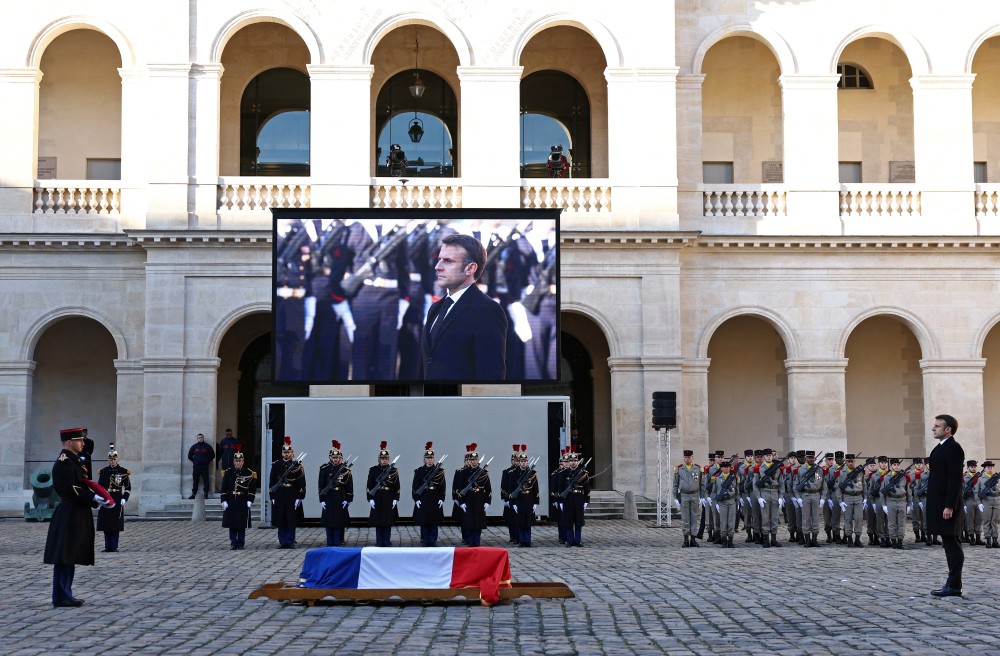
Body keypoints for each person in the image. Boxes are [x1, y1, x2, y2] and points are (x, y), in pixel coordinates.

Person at [423, 233, 508, 380]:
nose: (438, 267)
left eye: (448, 261)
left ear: (470, 268)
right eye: (439, 260)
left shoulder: (487, 311)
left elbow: (490, 374)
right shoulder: (435, 308)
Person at [44, 427, 110, 607]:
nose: (82, 443)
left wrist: (98, 496)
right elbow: (69, 488)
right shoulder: (64, 462)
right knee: (64, 555)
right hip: (69, 512)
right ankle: (61, 596)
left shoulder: (74, 461)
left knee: (70, 554)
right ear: (69, 442)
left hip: (76, 511)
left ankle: (66, 593)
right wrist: (93, 497)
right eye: (79, 440)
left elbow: (82, 484)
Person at [928, 414, 966, 597]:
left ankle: (954, 586)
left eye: (937, 426)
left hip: (947, 505)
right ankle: (952, 584)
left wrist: (949, 506)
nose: (933, 429)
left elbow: (955, 481)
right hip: (939, 503)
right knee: (949, 545)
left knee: (952, 545)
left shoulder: (954, 448)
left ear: (947, 429)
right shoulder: (940, 448)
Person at [269, 436, 305, 549]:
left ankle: (290, 540)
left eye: (288, 452)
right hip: (280, 494)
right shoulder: (276, 465)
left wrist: (299, 497)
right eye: (284, 452)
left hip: (292, 494)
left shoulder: (297, 466)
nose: (286, 454)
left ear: (292, 453)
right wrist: (272, 496)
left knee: (291, 519)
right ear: (281, 453)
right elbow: (272, 481)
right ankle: (282, 541)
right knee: (281, 519)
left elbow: (301, 483)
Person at [453, 444, 491, 547]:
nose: (474, 461)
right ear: (469, 460)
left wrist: (487, 501)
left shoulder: (483, 472)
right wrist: (461, 502)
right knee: (469, 522)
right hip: (468, 499)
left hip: (479, 499)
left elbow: (488, 489)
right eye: (472, 460)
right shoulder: (464, 473)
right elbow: (460, 488)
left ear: (478, 461)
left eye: (476, 460)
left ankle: (476, 541)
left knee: (478, 522)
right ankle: (469, 541)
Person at [96, 443, 131, 553]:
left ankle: (114, 546)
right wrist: (100, 498)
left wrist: (124, 498)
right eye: (110, 460)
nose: (112, 461)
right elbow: (100, 486)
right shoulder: (103, 471)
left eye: (114, 459)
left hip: (117, 498)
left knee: (115, 524)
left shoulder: (123, 472)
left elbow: (128, 488)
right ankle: (107, 546)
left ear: (117, 460)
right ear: (108, 460)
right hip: (107, 498)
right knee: (106, 524)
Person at [221, 447, 257, 550]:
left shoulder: (249, 473)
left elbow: (252, 489)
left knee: (241, 523)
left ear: (243, 461)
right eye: (236, 461)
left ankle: (241, 543)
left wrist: (250, 500)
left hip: (242, 499)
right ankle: (233, 542)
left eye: (240, 461)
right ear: (233, 461)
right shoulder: (228, 472)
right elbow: (224, 488)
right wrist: (223, 500)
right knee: (232, 523)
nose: (238, 463)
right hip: (231, 499)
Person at [318, 440, 353, 547]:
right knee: (329, 522)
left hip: (340, 497)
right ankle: (330, 541)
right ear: (330, 458)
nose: (335, 459)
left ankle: (337, 541)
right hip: (328, 497)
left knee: (339, 521)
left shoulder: (345, 470)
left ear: (341, 458)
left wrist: (348, 499)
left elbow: (349, 486)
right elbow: (321, 485)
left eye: (337, 458)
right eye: (333, 457)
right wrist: (322, 499)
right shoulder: (324, 469)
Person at [412, 442, 446, 547]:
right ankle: (426, 539)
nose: (430, 460)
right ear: (424, 459)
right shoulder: (419, 471)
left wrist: (441, 498)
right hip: (424, 497)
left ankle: (433, 539)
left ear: (434, 459)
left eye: (431, 458)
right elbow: (415, 486)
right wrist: (416, 498)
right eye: (428, 458)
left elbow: (442, 486)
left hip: (435, 497)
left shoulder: (439, 471)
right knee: (424, 520)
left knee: (434, 520)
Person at [367, 441, 400, 547]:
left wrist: (396, 498)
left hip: (388, 496)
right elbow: (369, 484)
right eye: (382, 458)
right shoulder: (373, 470)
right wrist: (370, 498)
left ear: (389, 459)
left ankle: (386, 540)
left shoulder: (393, 470)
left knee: (388, 520)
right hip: (377, 496)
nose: (384, 460)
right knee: (378, 520)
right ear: (379, 459)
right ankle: (379, 540)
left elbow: (397, 485)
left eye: (386, 459)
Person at [557, 448, 589, 548]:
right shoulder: (563, 473)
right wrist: (560, 502)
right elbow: (560, 488)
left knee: (578, 521)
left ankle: (578, 540)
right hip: (568, 499)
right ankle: (570, 540)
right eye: (571, 461)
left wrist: (586, 501)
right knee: (568, 521)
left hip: (579, 498)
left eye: (575, 461)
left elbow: (586, 489)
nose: (573, 463)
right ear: (568, 462)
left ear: (577, 461)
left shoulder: (583, 473)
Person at [752, 448, 783, 548]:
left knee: (774, 517)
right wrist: (759, 497)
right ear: (764, 457)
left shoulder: (777, 468)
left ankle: (774, 539)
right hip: (764, 493)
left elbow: (781, 483)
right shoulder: (758, 468)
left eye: (770, 455)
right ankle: (766, 540)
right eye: (767, 455)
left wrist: (781, 497)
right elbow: (755, 484)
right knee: (765, 518)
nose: (769, 457)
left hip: (774, 493)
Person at [878, 458, 911, 550]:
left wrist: (909, 504)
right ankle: (893, 541)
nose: (896, 466)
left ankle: (900, 541)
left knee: (901, 523)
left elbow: (909, 491)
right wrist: (883, 505)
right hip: (891, 501)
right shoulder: (887, 477)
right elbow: (882, 492)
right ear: (891, 466)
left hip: (902, 501)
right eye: (894, 465)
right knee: (891, 523)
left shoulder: (904, 476)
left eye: (898, 465)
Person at [509, 448, 539, 547]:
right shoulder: (513, 473)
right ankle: (522, 540)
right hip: (519, 499)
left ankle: (528, 540)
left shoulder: (532, 473)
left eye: (525, 461)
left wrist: (535, 502)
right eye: (522, 461)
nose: (523, 463)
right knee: (521, 521)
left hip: (529, 499)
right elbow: (511, 490)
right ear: (519, 462)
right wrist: (513, 503)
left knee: (528, 521)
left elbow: (535, 489)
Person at [673, 449, 702, 547]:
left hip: (695, 495)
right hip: (684, 495)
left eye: (689, 457)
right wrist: (675, 497)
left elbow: (702, 484)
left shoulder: (698, 469)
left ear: (692, 458)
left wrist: (703, 497)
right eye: (686, 457)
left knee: (694, 517)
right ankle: (686, 539)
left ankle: (693, 538)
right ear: (684, 458)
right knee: (685, 517)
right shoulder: (679, 469)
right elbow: (675, 484)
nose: (687, 459)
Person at [838, 454, 866, 548]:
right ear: (846, 462)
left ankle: (857, 539)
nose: (850, 463)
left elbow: (864, 485)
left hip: (858, 497)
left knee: (859, 518)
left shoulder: (860, 472)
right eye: (848, 461)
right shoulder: (842, 473)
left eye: (852, 461)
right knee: (848, 519)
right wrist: (840, 501)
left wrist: (865, 498)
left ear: (855, 462)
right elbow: (838, 488)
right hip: (847, 497)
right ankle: (849, 539)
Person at [712, 460, 737, 548]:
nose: (726, 469)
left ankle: (730, 540)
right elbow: (714, 492)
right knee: (723, 521)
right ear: (721, 468)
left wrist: (737, 502)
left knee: (731, 521)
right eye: (724, 467)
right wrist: (716, 503)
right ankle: (724, 540)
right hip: (722, 502)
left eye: (727, 467)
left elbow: (737, 491)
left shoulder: (734, 478)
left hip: (731, 501)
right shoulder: (717, 478)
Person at [975, 461, 1000, 548]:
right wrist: (979, 504)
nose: (990, 469)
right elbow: (976, 492)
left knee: (995, 521)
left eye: (991, 467)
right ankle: (988, 540)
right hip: (986, 501)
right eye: (988, 467)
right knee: (987, 521)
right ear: (984, 469)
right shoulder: (980, 479)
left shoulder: (997, 478)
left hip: (997, 501)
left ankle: (995, 540)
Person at [500, 446, 521, 543]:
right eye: (514, 460)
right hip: (510, 498)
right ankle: (513, 536)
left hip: (520, 498)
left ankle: (519, 536)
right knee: (511, 519)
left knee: (520, 518)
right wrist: (506, 498)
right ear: (511, 461)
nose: (516, 462)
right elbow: (503, 486)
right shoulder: (507, 472)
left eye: (517, 460)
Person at [962, 459, 984, 545]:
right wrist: (963, 504)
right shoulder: (964, 477)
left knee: (979, 519)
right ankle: (972, 538)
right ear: (968, 468)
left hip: (978, 500)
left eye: (975, 467)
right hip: (969, 500)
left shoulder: (980, 477)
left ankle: (978, 538)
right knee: (969, 520)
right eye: (972, 467)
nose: (974, 468)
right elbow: (962, 491)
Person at [187, 433, 215, 499]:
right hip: (196, 467)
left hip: (204, 467)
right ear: (197, 439)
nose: (200, 438)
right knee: (195, 480)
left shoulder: (208, 446)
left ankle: (206, 494)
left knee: (206, 480)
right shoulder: (194, 447)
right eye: (199, 438)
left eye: (201, 437)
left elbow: (213, 455)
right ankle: (193, 494)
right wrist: (195, 461)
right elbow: (189, 456)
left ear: (203, 438)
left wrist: (206, 461)